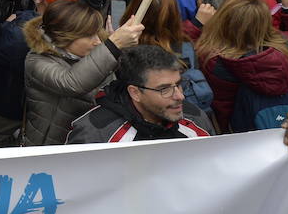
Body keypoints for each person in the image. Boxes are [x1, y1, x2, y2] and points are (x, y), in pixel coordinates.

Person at [192, 0, 288, 132]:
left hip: (233, 129)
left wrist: (198, 25)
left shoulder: (209, 56)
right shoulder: (286, 46)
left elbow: (178, 53)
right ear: (265, 21)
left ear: (223, 19)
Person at [21, 0, 143, 146]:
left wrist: (121, 52)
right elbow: (71, 83)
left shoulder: (96, 53)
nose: (98, 42)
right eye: (89, 35)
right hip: (49, 148)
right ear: (65, 36)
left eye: (97, 34)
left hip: (84, 139)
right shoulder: (37, 60)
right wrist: (113, 46)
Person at [67, 45, 214, 143]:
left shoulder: (195, 118)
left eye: (179, 84)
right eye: (164, 89)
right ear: (135, 93)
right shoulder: (96, 132)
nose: (180, 96)